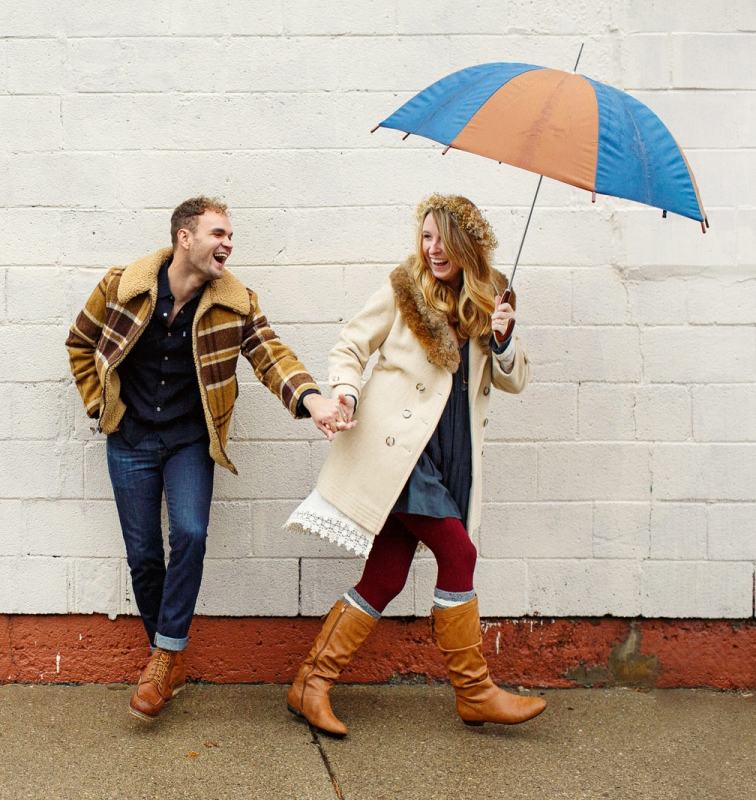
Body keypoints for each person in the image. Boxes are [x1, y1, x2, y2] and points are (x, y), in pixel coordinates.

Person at [65, 197, 348, 721]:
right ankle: (167, 660)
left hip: (190, 441)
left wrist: (312, 400)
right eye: (218, 234)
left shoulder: (235, 303)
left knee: (191, 533)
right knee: (143, 555)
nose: (228, 244)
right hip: (129, 439)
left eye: (230, 236)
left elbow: (271, 355)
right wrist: (100, 404)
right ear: (185, 238)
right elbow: (80, 342)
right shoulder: (122, 287)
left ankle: (164, 656)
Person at [283, 193, 543, 735]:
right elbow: (351, 345)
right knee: (458, 551)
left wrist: (502, 339)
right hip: (399, 451)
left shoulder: (492, 298)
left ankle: (310, 683)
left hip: (449, 454)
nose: (433, 249)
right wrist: (346, 392)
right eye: (426, 237)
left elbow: (515, 380)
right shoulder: (404, 289)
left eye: (443, 239)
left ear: (468, 244)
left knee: (385, 576)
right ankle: (474, 692)